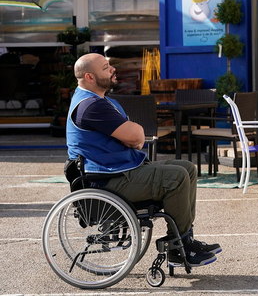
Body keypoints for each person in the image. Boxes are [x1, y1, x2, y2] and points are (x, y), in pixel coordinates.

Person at [66, 53, 222, 267]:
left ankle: (185, 240)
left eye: (110, 65)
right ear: (89, 77)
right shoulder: (90, 106)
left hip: (119, 171)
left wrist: (133, 136)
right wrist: (133, 137)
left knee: (187, 167)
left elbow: (135, 136)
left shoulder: (101, 101)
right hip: (108, 181)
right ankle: (180, 247)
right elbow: (137, 136)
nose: (112, 69)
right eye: (105, 67)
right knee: (175, 177)